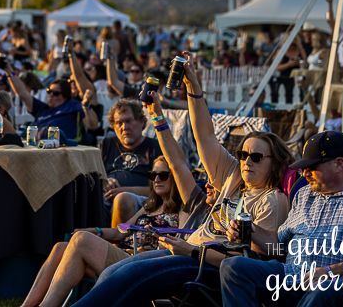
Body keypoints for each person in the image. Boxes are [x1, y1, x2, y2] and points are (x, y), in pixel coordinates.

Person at [74, 55, 293, 307]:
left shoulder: (272, 200)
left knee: (127, 277)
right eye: (243, 155)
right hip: (186, 250)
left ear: (274, 162)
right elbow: (205, 136)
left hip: (203, 264)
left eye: (255, 157)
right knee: (112, 273)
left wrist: (190, 251)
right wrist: (192, 86)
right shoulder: (233, 177)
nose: (246, 162)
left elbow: (249, 260)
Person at [219, 131, 343, 307]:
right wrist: (250, 231)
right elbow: (278, 246)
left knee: (327, 288)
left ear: (339, 164)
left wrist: (330, 271)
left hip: (340, 285)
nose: (304, 173)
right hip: (292, 276)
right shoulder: (305, 194)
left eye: (311, 167)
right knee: (233, 267)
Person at [22, 156, 187, 307]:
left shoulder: (183, 208)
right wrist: (95, 230)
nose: (157, 179)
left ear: (176, 177)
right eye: (153, 175)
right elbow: (120, 232)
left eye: (163, 175)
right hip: (124, 255)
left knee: (81, 240)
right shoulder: (150, 206)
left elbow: (183, 240)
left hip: (138, 263)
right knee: (61, 247)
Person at [101, 99, 162, 224]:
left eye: (128, 121)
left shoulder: (155, 148)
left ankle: (112, 242)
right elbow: (94, 176)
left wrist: (125, 190)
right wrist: (104, 181)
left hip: (140, 202)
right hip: (105, 199)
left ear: (142, 122)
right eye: (119, 123)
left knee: (123, 199)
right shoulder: (106, 144)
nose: (124, 127)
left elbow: (163, 189)